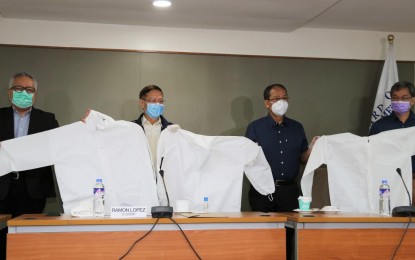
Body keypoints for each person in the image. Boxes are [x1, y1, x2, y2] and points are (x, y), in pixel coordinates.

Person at [0, 72, 59, 259]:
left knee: (26, 236)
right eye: (18, 88)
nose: (24, 93)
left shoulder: (47, 119)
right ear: (10, 92)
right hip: (2, 186)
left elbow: (59, 147)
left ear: (35, 94)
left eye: (29, 90)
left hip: (33, 188)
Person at [245, 83, 318, 213]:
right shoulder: (255, 128)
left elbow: (303, 159)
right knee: (263, 232)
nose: (281, 102)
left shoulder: (297, 127)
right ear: (267, 103)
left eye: (284, 98)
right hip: (263, 190)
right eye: (276, 98)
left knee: (290, 232)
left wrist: (313, 146)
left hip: (290, 191)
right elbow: (247, 160)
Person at [369, 81, 415, 177]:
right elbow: (371, 155)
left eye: (404, 98)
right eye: (395, 97)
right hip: (388, 179)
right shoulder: (379, 126)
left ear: (412, 100)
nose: (399, 101)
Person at [132, 85, 179, 168]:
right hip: (139, 176)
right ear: (142, 103)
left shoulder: (170, 129)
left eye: (160, 101)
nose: (158, 104)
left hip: (163, 178)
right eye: (153, 100)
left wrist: (179, 135)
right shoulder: (132, 128)